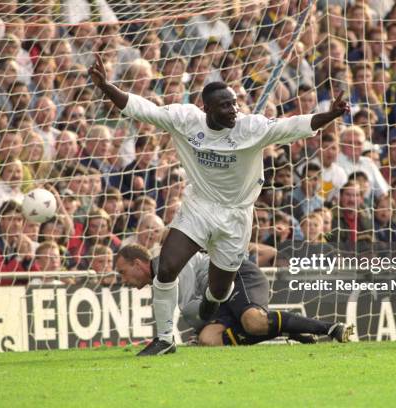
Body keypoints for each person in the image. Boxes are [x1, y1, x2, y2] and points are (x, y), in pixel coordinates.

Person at [89, 54, 349, 355]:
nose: (233, 110)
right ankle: (164, 339)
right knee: (167, 268)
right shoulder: (186, 120)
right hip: (199, 206)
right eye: (225, 105)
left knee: (220, 289)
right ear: (206, 109)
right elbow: (145, 110)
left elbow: (294, 126)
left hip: (236, 216)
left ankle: (214, 298)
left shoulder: (250, 127)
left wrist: (329, 115)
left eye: (235, 103)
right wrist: (107, 87)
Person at [116, 244, 353, 347]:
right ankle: (286, 328)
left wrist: (184, 333)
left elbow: (191, 310)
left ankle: (331, 328)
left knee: (254, 321)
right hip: (219, 297)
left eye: (123, 272)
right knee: (209, 341)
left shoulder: (169, 264)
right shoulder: (160, 281)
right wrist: (201, 333)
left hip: (236, 274)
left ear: (138, 264)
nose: (124, 280)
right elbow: (199, 313)